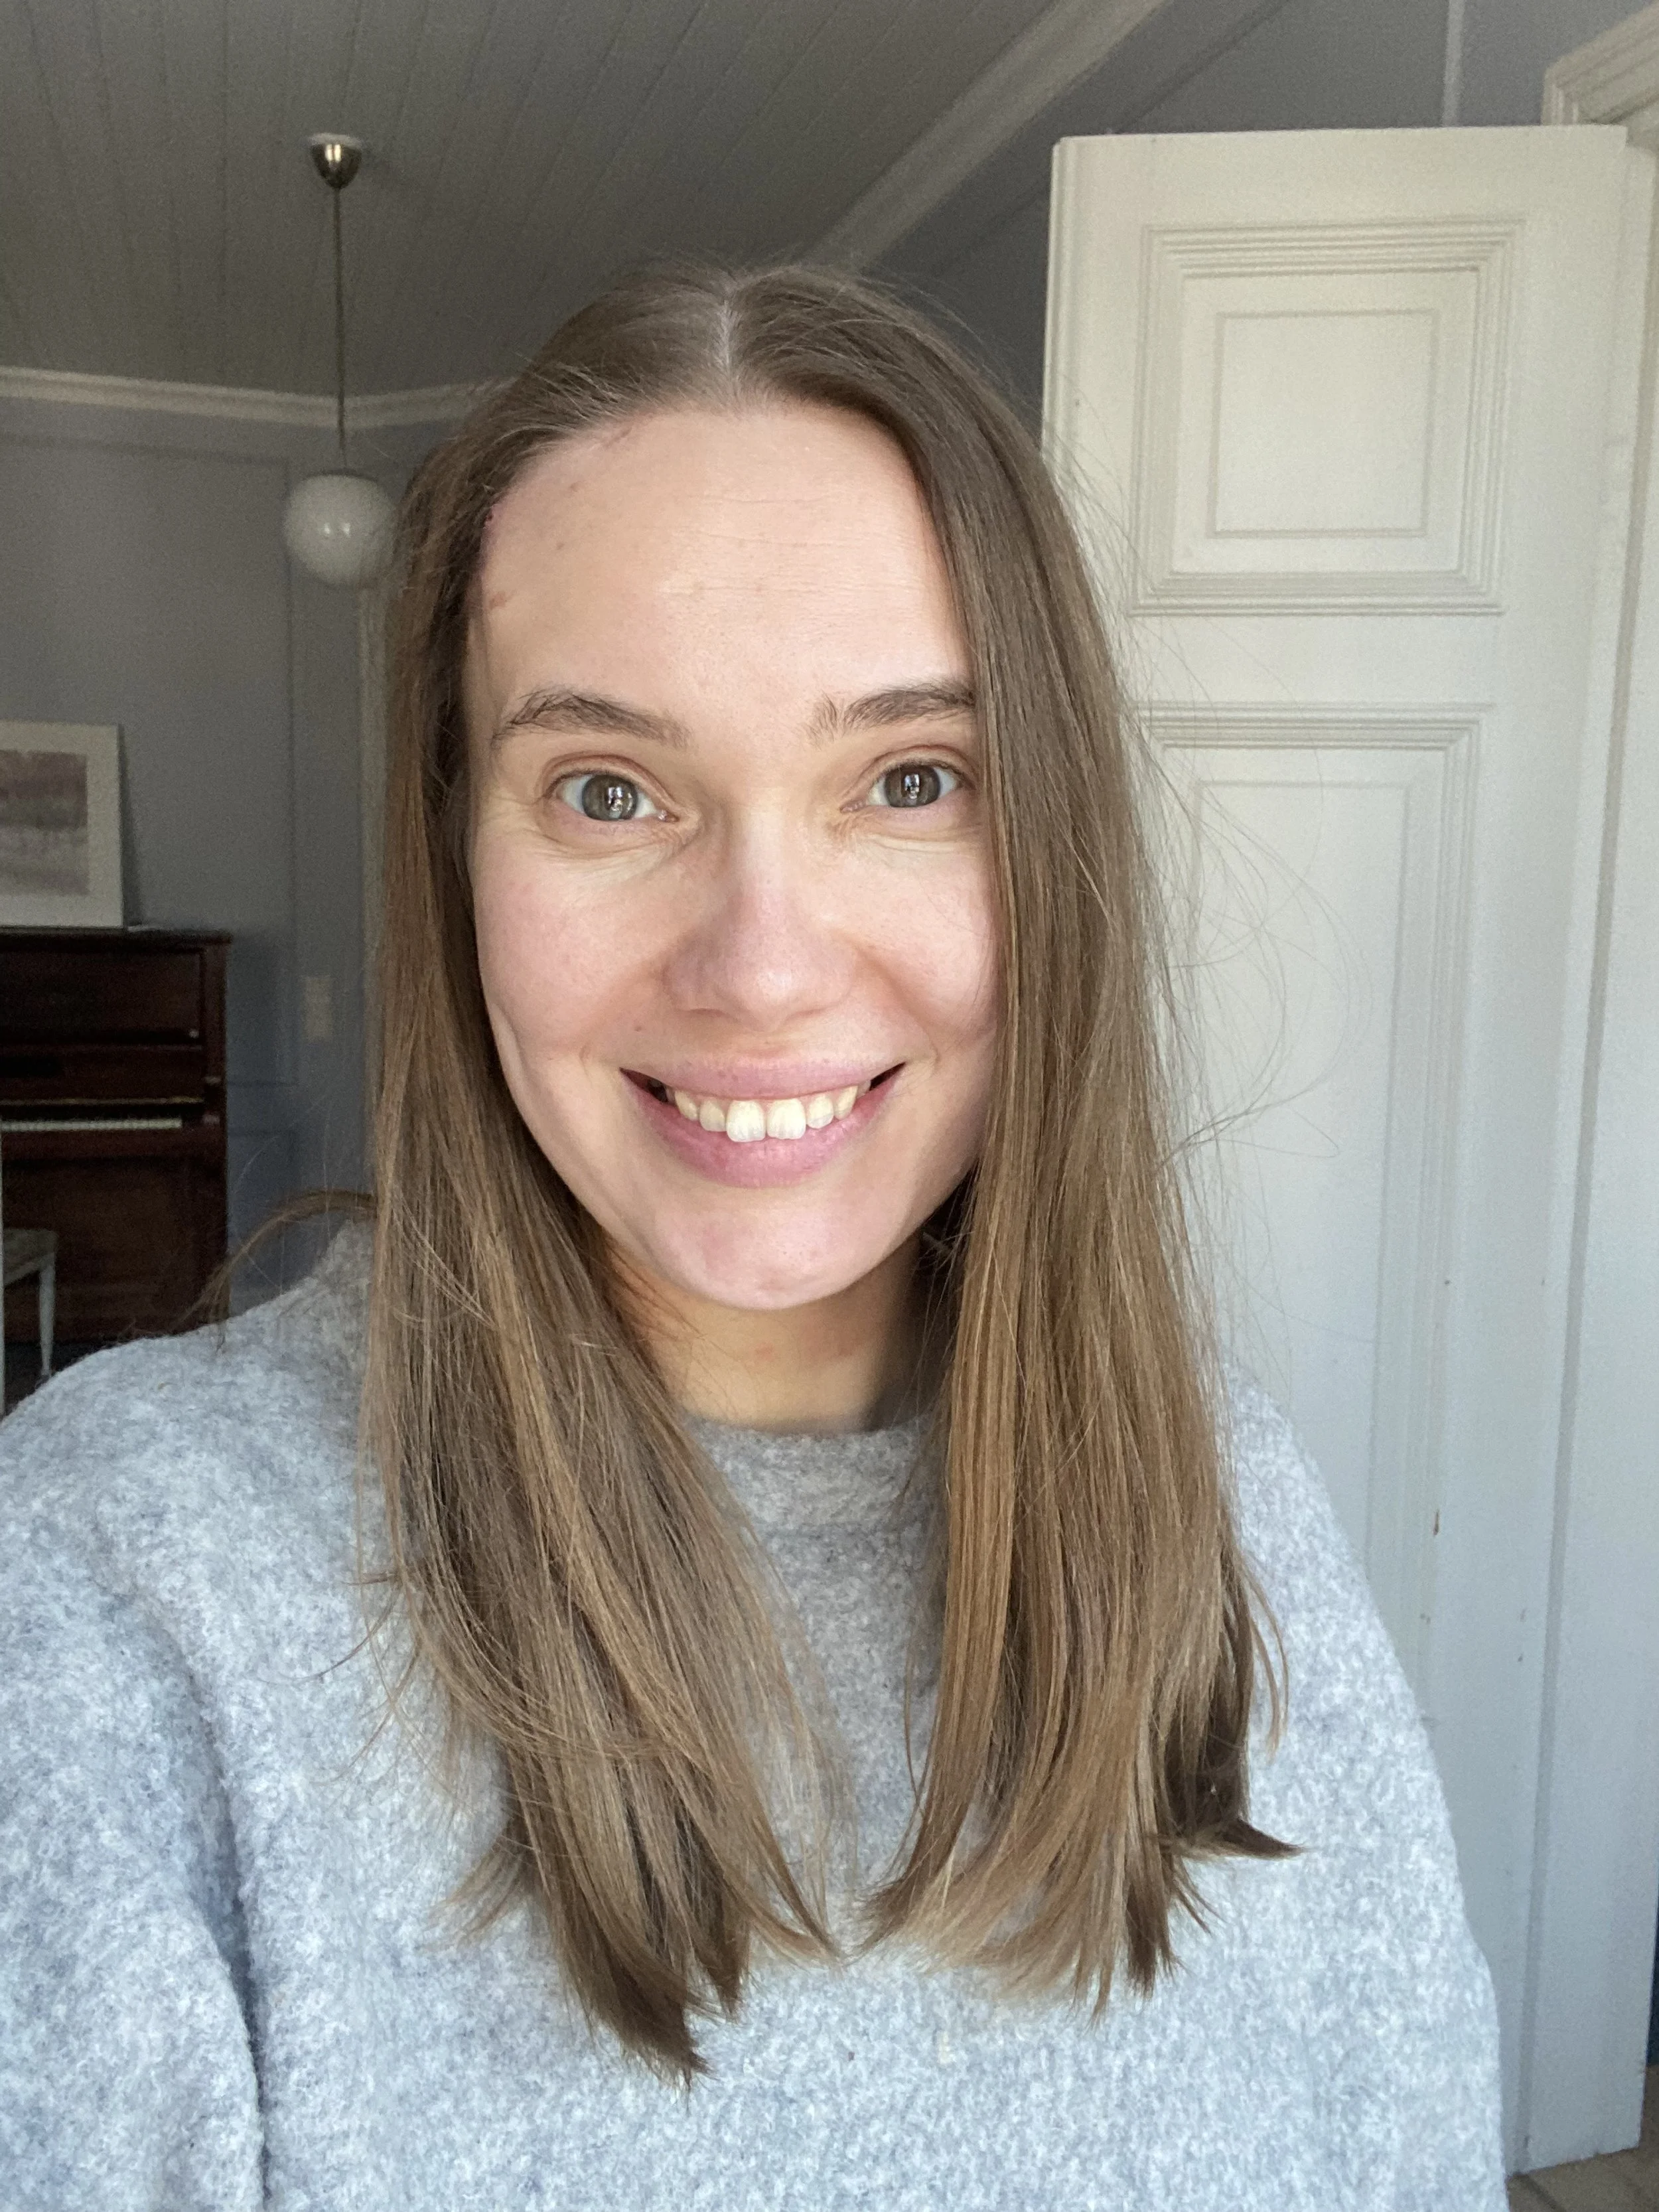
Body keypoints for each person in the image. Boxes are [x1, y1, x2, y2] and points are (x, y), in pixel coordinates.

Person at [0, 264, 1504, 2210]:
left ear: (1044, 843)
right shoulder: (119, 1599)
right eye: (609, 790)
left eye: (907, 779)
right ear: (456, 851)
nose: (764, 964)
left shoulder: (1231, 1505)